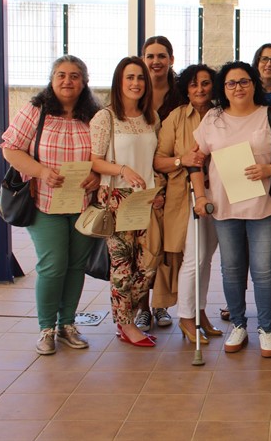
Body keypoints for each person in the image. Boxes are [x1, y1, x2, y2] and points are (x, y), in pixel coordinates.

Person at [191, 61, 271, 358]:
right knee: (231, 270)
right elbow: (195, 161)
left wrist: (270, 169)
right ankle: (238, 324)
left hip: (263, 207)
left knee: (263, 271)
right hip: (224, 207)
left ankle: (265, 328)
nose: (237, 87)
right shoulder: (212, 118)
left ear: (253, 84)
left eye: (243, 81)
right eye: (231, 83)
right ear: (223, 88)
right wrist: (200, 196)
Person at [1, 55, 101, 355]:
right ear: (52, 79)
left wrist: (97, 175)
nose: (67, 81)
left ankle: (67, 324)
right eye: (61, 75)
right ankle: (46, 328)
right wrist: (41, 171)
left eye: (74, 76)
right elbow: (10, 149)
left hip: (83, 204)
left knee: (76, 266)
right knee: (53, 265)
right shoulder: (36, 111)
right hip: (43, 202)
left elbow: (105, 155)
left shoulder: (95, 116)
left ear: (84, 82)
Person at [91, 56, 165, 347]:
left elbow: (153, 159)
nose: (136, 83)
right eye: (130, 77)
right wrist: (122, 169)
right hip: (118, 198)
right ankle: (126, 324)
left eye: (140, 78)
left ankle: (127, 316)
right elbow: (95, 161)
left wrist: (157, 189)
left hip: (146, 198)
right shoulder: (105, 117)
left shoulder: (151, 117)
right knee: (123, 266)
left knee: (147, 264)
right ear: (119, 82)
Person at [153, 64, 222, 344]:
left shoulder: (222, 114)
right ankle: (185, 318)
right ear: (186, 89)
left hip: (219, 195)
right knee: (194, 257)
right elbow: (158, 160)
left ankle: (200, 312)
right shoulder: (176, 117)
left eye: (205, 83)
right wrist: (183, 160)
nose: (200, 89)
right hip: (186, 197)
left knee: (206, 257)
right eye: (194, 84)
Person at [138, 35, 184, 331]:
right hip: (139, 181)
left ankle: (161, 304)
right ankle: (141, 307)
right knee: (143, 248)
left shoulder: (181, 95)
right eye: (150, 56)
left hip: (175, 180)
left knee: (168, 247)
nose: (156, 61)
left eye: (161, 56)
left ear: (171, 60)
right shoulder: (134, 92)